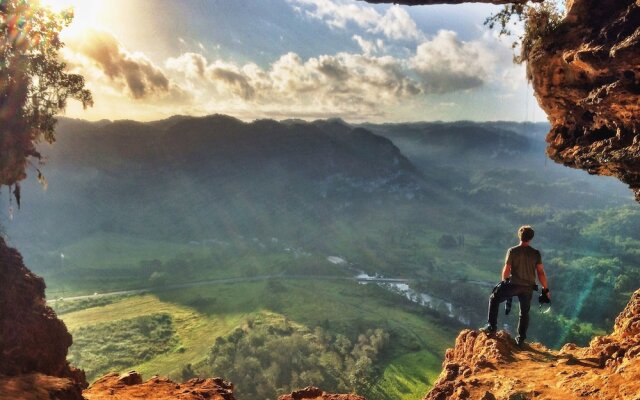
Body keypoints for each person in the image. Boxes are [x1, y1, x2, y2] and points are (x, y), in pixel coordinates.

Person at [480, 225, 550, 347]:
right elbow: (540, 272)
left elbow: (507, 269)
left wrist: (504, 281)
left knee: (494, 298)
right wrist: (545, 289)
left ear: (519, 236)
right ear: (531, 238)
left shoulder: (512, 251)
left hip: (513, 284)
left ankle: (491, 327)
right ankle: (521, 339)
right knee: (524, 313)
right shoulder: (535, 253)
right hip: (528, 287)